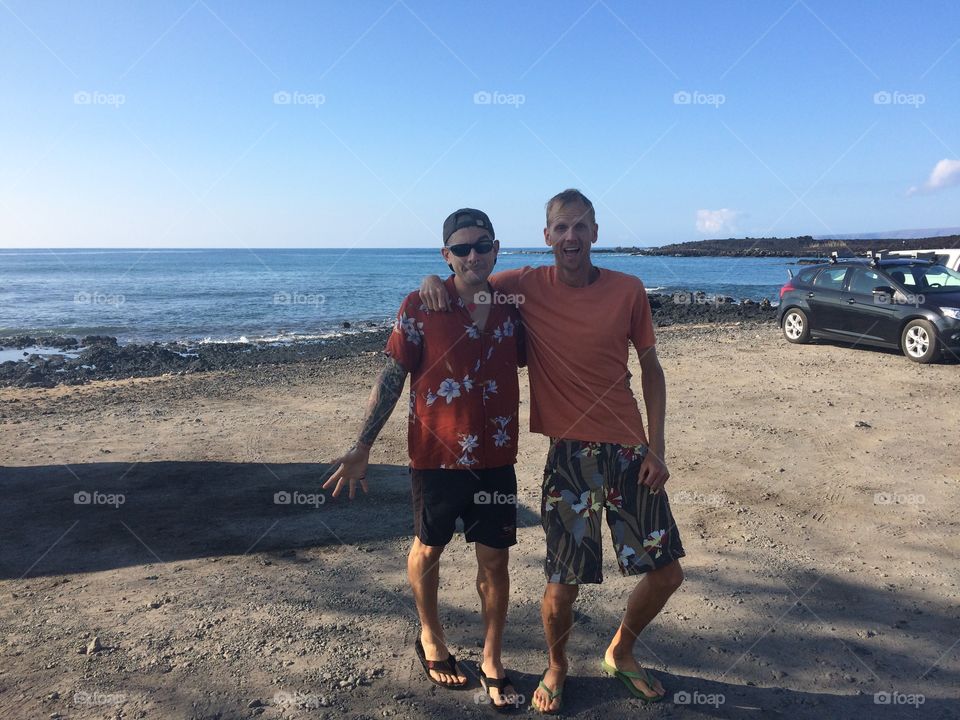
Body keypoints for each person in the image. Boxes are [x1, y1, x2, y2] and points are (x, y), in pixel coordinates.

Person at [419, 190, 685, 714]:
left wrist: (657, 447)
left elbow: (651, 369)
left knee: (667, 573)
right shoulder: (523, 286)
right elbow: (466, 282)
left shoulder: (628, 289)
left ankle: (620, 651)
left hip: (631, 451)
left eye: (580, 227)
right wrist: (430, 282)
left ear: (595, 233)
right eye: (561, 228)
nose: (571, 237)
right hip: (570, 455)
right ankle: (557, 665)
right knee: (562, 588)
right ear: (546, 237)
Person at [325, 208, 525, 711]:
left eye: (482, 245)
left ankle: (492, 658)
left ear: (497, 249)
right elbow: (392, 375)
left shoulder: (513, 307)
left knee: (495, 560)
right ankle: (431, 637)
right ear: (446, 255)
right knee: (428, 549)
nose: (473, 255)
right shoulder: (420, 305)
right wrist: (363, 445)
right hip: (435, 458)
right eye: (461, 249)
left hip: (497, 458)